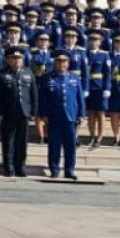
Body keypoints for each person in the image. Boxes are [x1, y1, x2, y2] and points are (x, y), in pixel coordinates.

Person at [39, 49, 85, 180]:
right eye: (58, 61)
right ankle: (54, 169)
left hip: (70, 117)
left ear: (68, 63)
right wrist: (43, 114)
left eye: (64, 61)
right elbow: (42, 98)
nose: (61, 64)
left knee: (70, 146)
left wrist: (81, 114)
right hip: (53, 117)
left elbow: (79, 98)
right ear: (54, 63)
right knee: (54, 145)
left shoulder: (74, 78)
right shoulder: (47, 78)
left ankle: (69, 170)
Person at [0, 46, 38, 177]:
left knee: (22, 142)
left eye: (19, 58)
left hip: (24, 112)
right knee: (8, 141)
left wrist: (33, 112)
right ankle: (9, 167)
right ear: (7, 60)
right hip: (7, 113)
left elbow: (33, 94)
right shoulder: (1, 74)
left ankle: (20, 167)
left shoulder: (28, 73)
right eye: (13, 58)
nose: (17, 61)